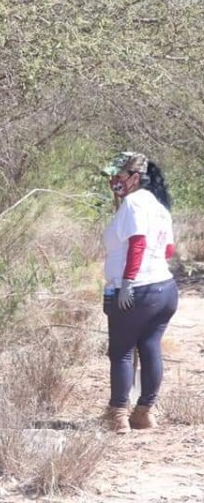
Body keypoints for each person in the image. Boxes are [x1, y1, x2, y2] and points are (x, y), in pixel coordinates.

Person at [101, 152, 177, 433]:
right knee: (149, 347)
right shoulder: (158, 206)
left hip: (136, 289)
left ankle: (118, 414)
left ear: (134, 178)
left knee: (121, 351)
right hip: (164, 289)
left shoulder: (133, 203)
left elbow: (138, 243)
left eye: (119, 176)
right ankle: (145, 411)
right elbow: (168, 250)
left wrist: (128, 281)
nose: (114, 181)